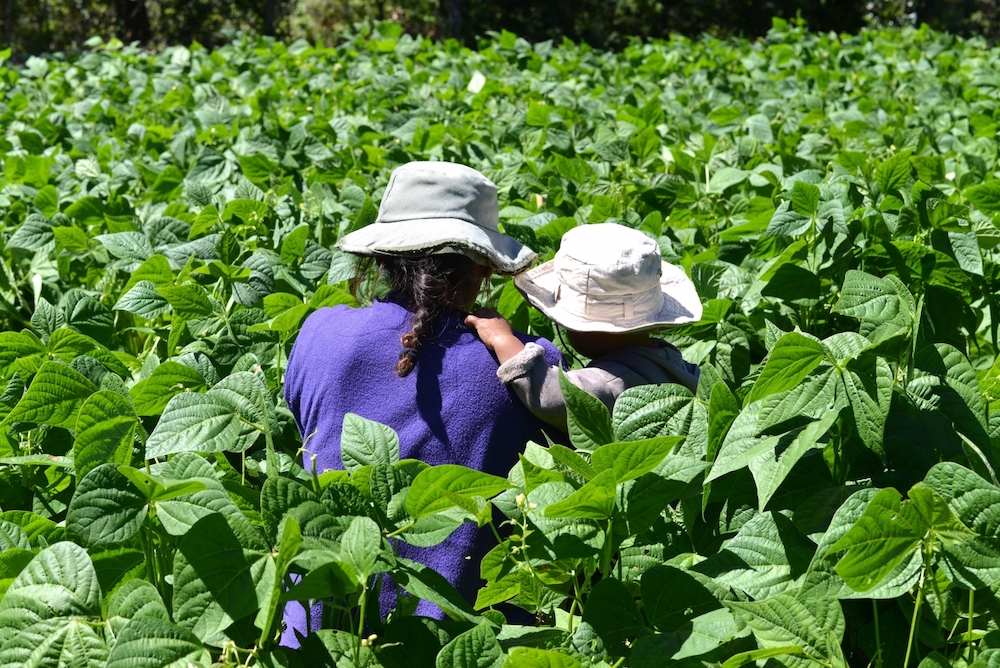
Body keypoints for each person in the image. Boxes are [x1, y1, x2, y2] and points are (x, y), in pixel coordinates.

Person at [281, 161, 564, 645]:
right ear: (484, 268)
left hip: (319, 636)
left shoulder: (317, 333)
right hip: (461, 640)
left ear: (384, 258)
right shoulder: (527, 365)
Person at [466, 222, 702, 432]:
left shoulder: (612, 383)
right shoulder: (671, 360)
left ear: (590, 330)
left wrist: (503, 340)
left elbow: (551, 396)